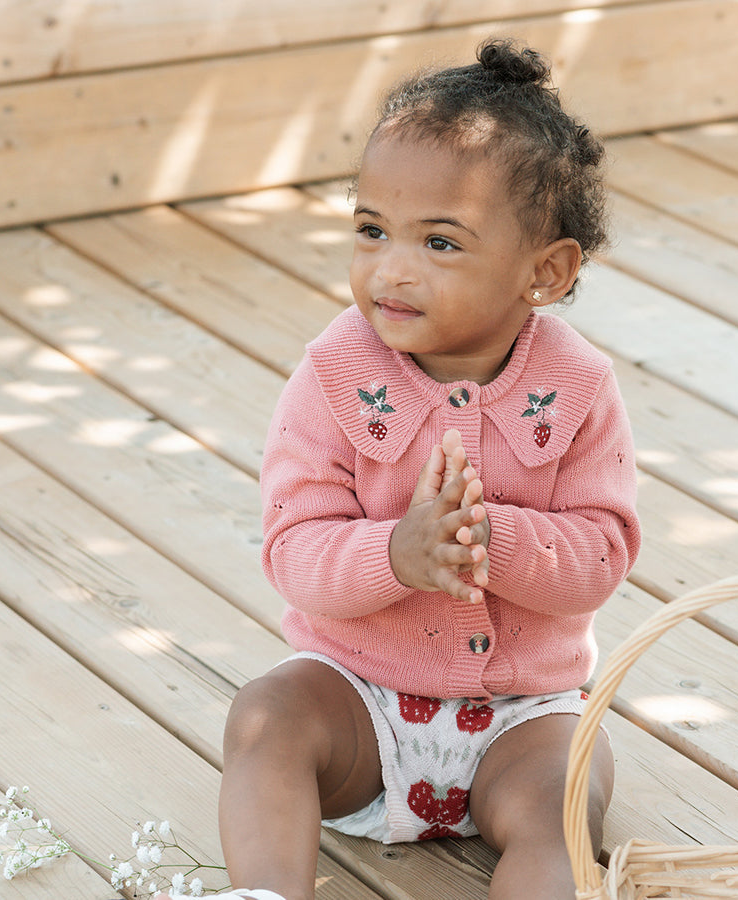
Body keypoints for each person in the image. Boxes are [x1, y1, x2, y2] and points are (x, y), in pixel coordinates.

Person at [168, 38, 640, 900]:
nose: (392, 267)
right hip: (361, 697)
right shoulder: (334, 378)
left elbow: (604, 555)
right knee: (266, 717)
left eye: (442, 243)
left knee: (566, 798)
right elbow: (294, 550)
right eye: (372, 229)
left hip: (521, 717)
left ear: (546, 271)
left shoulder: (577, 388)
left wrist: (491, 538)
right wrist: (395, 555)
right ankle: (265, 891)